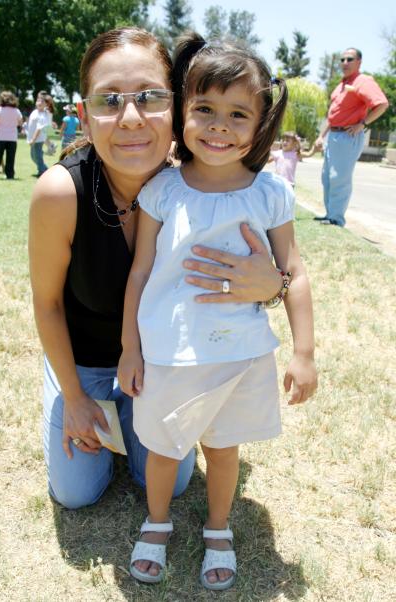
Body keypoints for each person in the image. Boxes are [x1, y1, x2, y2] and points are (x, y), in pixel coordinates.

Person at [28, 27, 285, 516]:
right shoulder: (60, 194)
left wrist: (275, 285)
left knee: (170, 481)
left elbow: (275, 270)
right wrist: (76, 396)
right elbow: (48, 303)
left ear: (177, 103)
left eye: (150, 97)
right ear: (84, 115)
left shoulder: (197, 184)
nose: (130, 119)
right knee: (76, 493)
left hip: (167, 362)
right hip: (85, 363)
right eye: (109, 101)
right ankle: (75, 398)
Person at [118, 32, 317, 590]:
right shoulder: (163, 190)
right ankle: (156, 524)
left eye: (237, 114)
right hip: (168, 353)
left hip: (240, 355)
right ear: (183, 110)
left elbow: (294, 273)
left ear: (260, 125)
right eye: (204, 109)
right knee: (162, 447)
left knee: (222, 448)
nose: (219, 126)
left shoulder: (270, 193)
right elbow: (140, 273)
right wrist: (130, 349)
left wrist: (304, 353)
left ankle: (218, 528)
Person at [314, 48, 388, 226]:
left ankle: (336, 218)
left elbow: (382, 104)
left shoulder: (363, 82)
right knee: (327, 178)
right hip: (333, 135)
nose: (345, 63)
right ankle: (330, 214)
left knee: (339, 178)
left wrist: (362, 124)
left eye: (349, 59)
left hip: (348, 137)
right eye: (342, 59)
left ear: (359, 62)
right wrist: (321, 136)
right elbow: (334, 114)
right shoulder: (341, 84)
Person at [0, 90, 23, 179]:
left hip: (0, 137)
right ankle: (10, 175)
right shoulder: (17, 111)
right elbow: (20, 123)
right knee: (10, 158)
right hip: (12, 137)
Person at [27, 96, 49, 177]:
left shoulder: (43, 115)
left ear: (45, 104)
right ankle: (46, 170)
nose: (39, 103)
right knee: (33, 157)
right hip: (33, 139)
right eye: (38, 101)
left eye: (42, 102)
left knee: (38, 157)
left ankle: (42, 171)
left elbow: (39, 129)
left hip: (38, 140)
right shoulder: (35, 112)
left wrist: (33, 139)